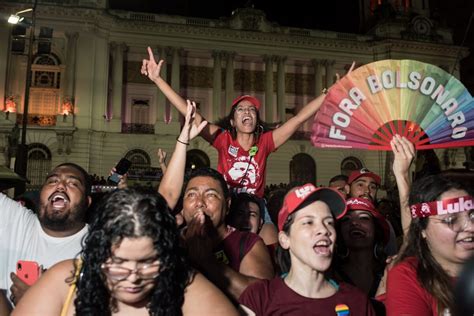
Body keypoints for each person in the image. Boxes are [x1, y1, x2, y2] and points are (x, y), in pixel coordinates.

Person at [142, 47, 354, 198]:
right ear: (233, 121)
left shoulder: (266, 142)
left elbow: (298, 118)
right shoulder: (223, 139)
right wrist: (158, 80)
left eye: (252, 109)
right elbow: (190, 113)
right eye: (241, 109)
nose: (247, 112)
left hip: (256, 207)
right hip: (227, 204)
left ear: (256, 118)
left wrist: (329, 94)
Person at [12, 189, 238, 315]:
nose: (133, 276)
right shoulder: (64, 281)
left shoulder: (186, 284)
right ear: (98, 254)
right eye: (119, 262)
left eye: (148, 262)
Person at [158, 101, 274, 302]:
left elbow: (263, 298)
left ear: (228, 204)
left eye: (211, 195)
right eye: (191, 195)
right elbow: (165, 197)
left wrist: (207, 261)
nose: (200, 202)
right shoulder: (170, 238)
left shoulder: (247, 243)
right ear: (182, 204)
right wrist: (182, 142)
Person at [239, 183, 375, 315]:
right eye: (308, 222)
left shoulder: (357, 302)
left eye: (329, 222)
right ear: (285, 239)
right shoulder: (259, 298)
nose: (324, 229)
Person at [0, 163, 92, 311]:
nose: (60, 186)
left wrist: (35, 301)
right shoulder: (16, 220)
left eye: (73, 183)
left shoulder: (99, 247)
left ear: (87, 202)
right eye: (52, 181)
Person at [385, 174, 474, 316]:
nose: (470, 227)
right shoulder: (409, 276)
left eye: (472, 215)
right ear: (422, 230)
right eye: (451, 219)